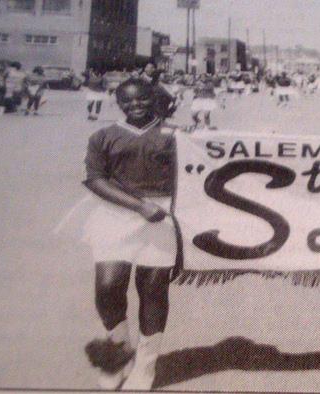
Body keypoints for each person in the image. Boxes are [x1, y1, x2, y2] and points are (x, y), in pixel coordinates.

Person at [82, 78, 180, 390]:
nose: (135, 106)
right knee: (108, 287)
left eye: (142, 100)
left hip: (162, 217)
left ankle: (145, 367)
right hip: (116, 213)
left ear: (154, 99)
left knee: (152, 290)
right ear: (119, 103)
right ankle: (118, 356)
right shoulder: (103, 136)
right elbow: (96, 180)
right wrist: (138, 206)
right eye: (128, 101)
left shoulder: (174, 135)